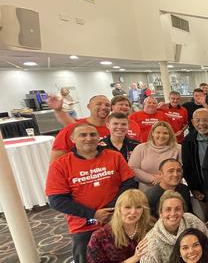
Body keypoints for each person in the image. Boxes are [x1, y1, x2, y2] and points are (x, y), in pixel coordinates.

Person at [46, 123, 137, 263]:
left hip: (118, 217)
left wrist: (112, 209)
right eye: (83, 135)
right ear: (73, 139)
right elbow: (57, 200)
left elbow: (129, 183)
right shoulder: (60, 165)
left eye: (93, 134)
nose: (89, 138)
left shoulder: (114, 156)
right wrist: (93, 214)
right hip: (84, 225)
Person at [141, 190, 208, 263]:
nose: (173, 213)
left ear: (183, 211)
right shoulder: (151, 242)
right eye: (168, 209)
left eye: (177, 209)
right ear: (161, 213)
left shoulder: (191, 220)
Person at [182, 108, 208, 231]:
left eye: (205, 120)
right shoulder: (188, 141)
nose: (201, 124)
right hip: (203, 188)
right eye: (198, 120)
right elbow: (188, 167)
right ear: (193, 122)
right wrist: (194, 188)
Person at [86, 189, 153, 263]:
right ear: (118, 209)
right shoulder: (100, 237)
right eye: (128, 207)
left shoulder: (151, 228)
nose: (133, 212)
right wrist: (135, 258)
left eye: (138, 207)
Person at [49, 94, 112, 162]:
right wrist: (58, 110)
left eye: (107, 105)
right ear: (89, 106)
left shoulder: (115, 128)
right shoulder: (73, 128)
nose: (103, 107)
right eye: (98, 104)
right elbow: (55, 160)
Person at [128, 121, 182, 192]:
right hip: (145, 192)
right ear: (152, 133)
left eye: (165, 133)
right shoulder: (140, 148)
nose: (161, 136)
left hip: (172, 191)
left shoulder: (178, 149)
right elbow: (132, 168)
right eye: (158, 132)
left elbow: (183, 169)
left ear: (170, 135)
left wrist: (164, 180)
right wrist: (152, 179)